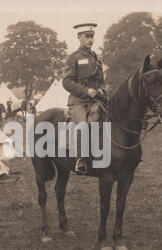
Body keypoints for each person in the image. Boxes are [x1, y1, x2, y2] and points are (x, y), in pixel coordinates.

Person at [62, 23, 106, 174]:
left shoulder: (96, 59)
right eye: (87, 36)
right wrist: (86, 91)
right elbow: (66, 82)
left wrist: (101, 89)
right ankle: (80, 160)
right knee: (83, 126)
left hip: (96, 101)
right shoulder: (73, 58)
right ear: (79, 37)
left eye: (92, 36)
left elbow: (102, 81)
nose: (90, 39)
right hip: (78, 102)